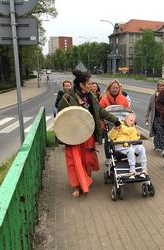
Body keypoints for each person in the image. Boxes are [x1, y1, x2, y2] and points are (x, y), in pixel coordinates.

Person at [58, 70, 120, 198]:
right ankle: (76, 186)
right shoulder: (68, 97)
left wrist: (116, 120)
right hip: (73, 137)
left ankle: (85, 180)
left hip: (87, 135)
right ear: (81, 84)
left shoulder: (91, 96)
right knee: (75, 161)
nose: (92, 85)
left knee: (87, 160)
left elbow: (101, 111)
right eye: (89, 83)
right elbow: (61, 118)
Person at [99, 79, 131, 165]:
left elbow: (127, 111)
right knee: (108, 140)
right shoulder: (104, 99)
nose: (115, 89)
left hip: (121, 123)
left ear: (119, 89)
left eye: (117, 88)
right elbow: (100, 111)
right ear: (109, 88)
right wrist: (102, 121)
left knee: (121, 139)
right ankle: (108, 157)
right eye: (113, 87)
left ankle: (119, 155)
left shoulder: (124, 99)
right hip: (107, 123)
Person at [108, 113, 148, 179]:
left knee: (141, 148)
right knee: (131, 150)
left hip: (130, 145)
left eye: (133, 121)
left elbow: (135, 140)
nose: (132, 122)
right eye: (131, 120)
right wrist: (115, 129)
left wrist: (138, 135)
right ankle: (132, 171)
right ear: (126, 119)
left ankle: (144, 169)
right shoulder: (119, 125)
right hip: (120, 146)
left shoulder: (133, 127)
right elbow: (111, 137)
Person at [145, 80, 164, 156]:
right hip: (156, 117)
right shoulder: (153, 96)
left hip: (163, 118)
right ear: (158, 86)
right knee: (160, 131)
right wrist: (147, 116)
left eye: (163, 85)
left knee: (159, 132)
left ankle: (157, 145)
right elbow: (149, 107)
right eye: (160, 85)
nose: (162, 87)